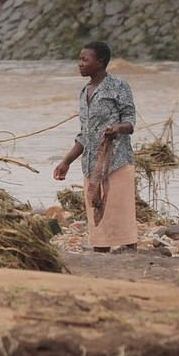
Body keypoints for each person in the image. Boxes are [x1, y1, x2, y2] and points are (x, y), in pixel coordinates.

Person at [53, 41, 138, 252]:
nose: (79, 63)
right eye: (80, 59)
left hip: (117, 162)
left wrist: (116, 129)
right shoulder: (84, 92)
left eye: (85, 59)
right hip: (91, 166)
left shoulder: (118, 87)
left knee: (121, 216)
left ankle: (130, 254)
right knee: (97, 218)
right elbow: (84, 135)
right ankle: (101, 252)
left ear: (100, 62)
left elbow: (130, 122)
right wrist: (66, 162)